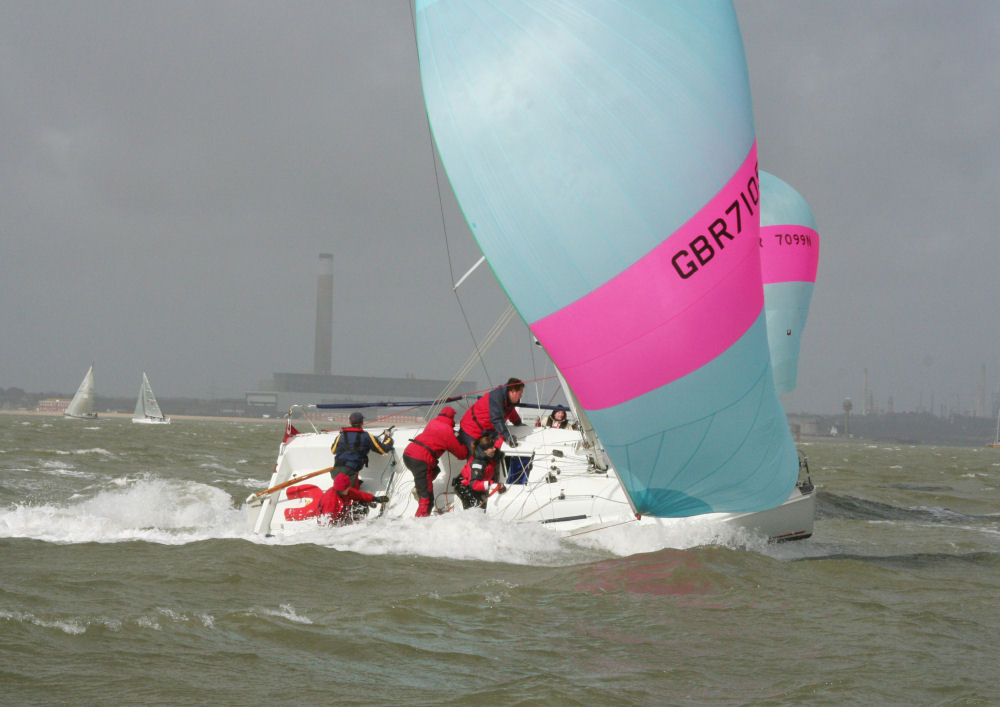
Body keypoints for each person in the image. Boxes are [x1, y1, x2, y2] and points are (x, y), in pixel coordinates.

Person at [402, 406, 469, 517]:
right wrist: (459, 438)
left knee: (435, 469)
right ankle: (418, 526)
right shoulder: (448, 431)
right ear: (452, 418)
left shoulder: (432, 423)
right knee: (427, 501)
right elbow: (462, 455)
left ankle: (418, 487)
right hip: (421, 461)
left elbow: (434, 438)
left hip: (408, 454)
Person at [459, 377, 525, 453]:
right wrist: (508, 437)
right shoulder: (496, 398)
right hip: (471, 430)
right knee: (478, 459)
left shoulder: (508, 400)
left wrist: (518, 422)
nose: (521, 396)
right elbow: (497, 420)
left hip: (486, 432)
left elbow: (510, 411)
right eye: (520, 393)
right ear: (513, 391)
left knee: (493, 456)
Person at [330, 412, 394, 488]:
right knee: (352, 496)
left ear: (350, 422)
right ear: (362, 422)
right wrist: (387, 436)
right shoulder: (366, 436)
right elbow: (383, 450)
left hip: (335, 472)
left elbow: (333, 450)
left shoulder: (341, 435)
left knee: (342, 491)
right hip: (350, 474)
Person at [453, 432, 507, 510]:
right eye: (491, 448)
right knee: (474, 509)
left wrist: (506, 436)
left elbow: (498, 443)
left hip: (479, 483)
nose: (494, 449)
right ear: (484, 451)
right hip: (465, 486)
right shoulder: (477, 464)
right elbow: (474, 484)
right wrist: (491, 485)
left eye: (493, 446)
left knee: (482, 507)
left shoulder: (491, 455)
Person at [317, 472, 388, 526]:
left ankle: (357, 523)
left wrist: (375, 499)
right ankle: (351, 525)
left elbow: (360, 495)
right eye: (347, 487)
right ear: (342, 489)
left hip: (342, 514)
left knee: (363, 503)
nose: (349, 488)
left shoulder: (344, 491)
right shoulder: (330, 502)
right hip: (331, 522)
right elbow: (327, 524)